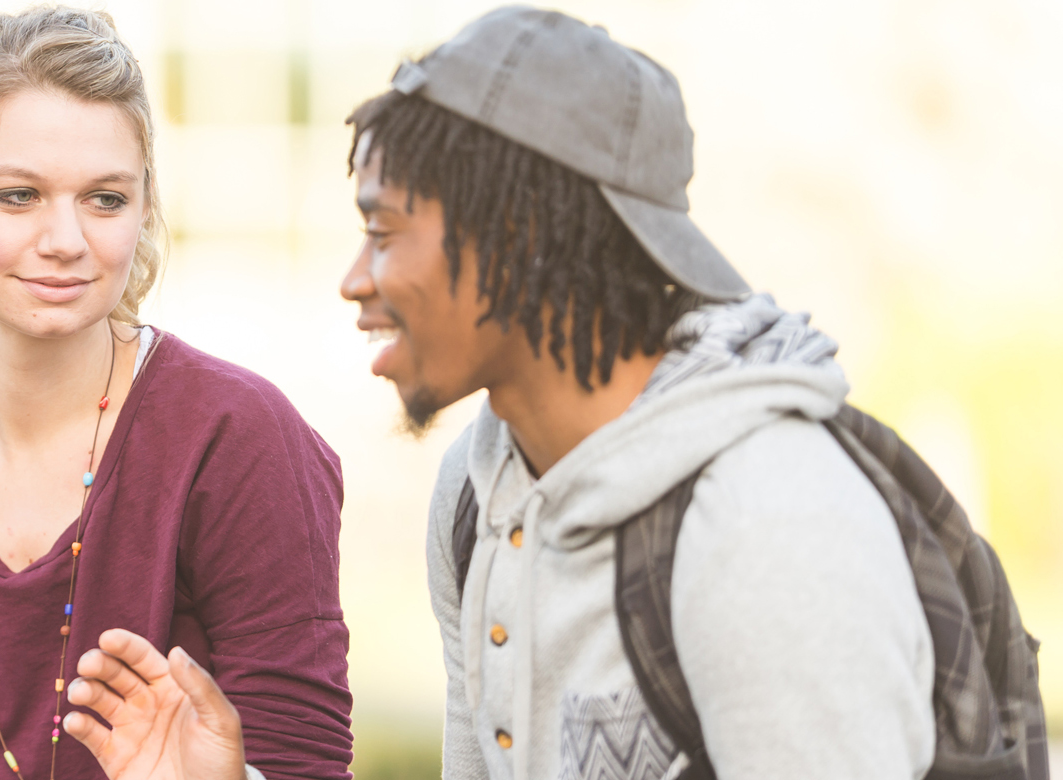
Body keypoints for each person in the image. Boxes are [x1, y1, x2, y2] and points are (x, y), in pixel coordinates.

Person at [68, 6, 1047, 780]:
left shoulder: (764, 521)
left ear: (519, 238)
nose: (353, 278)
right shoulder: (477, 492)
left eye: (385, 229)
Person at [0, 7, 352, 780]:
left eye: (105, 199)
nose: (64, 240)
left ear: (146, 204)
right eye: (19, 195)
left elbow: (306, 766)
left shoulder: (237, 440)